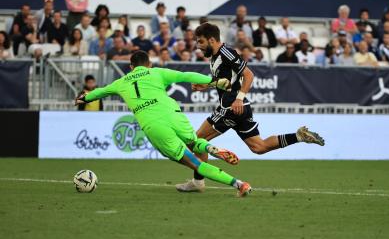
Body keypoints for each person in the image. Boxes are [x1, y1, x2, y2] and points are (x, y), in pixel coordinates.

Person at [76, 50, 252, 196]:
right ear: (149, 64)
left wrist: (84, 98)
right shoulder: (157, 72)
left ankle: (238, 184)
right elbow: (186, 75)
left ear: (131, 67)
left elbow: (100, 92)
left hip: (154, 124)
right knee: (193, 142)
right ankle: (207, 147)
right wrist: (214, 82)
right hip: (173, 114)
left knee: (194, 162)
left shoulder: (121, 82)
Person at [175, 23, 324, 192]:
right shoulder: (216, 56)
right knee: (259, 147)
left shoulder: (226, 53)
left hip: (231, 107)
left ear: (211, 40)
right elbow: (227, 82)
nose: (198, 46)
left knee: (196, 142)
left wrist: (239, 98)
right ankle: (298, 136)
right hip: (241, 109)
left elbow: (249, 75)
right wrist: (206, 85)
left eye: (201, 42)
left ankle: (198, 181)